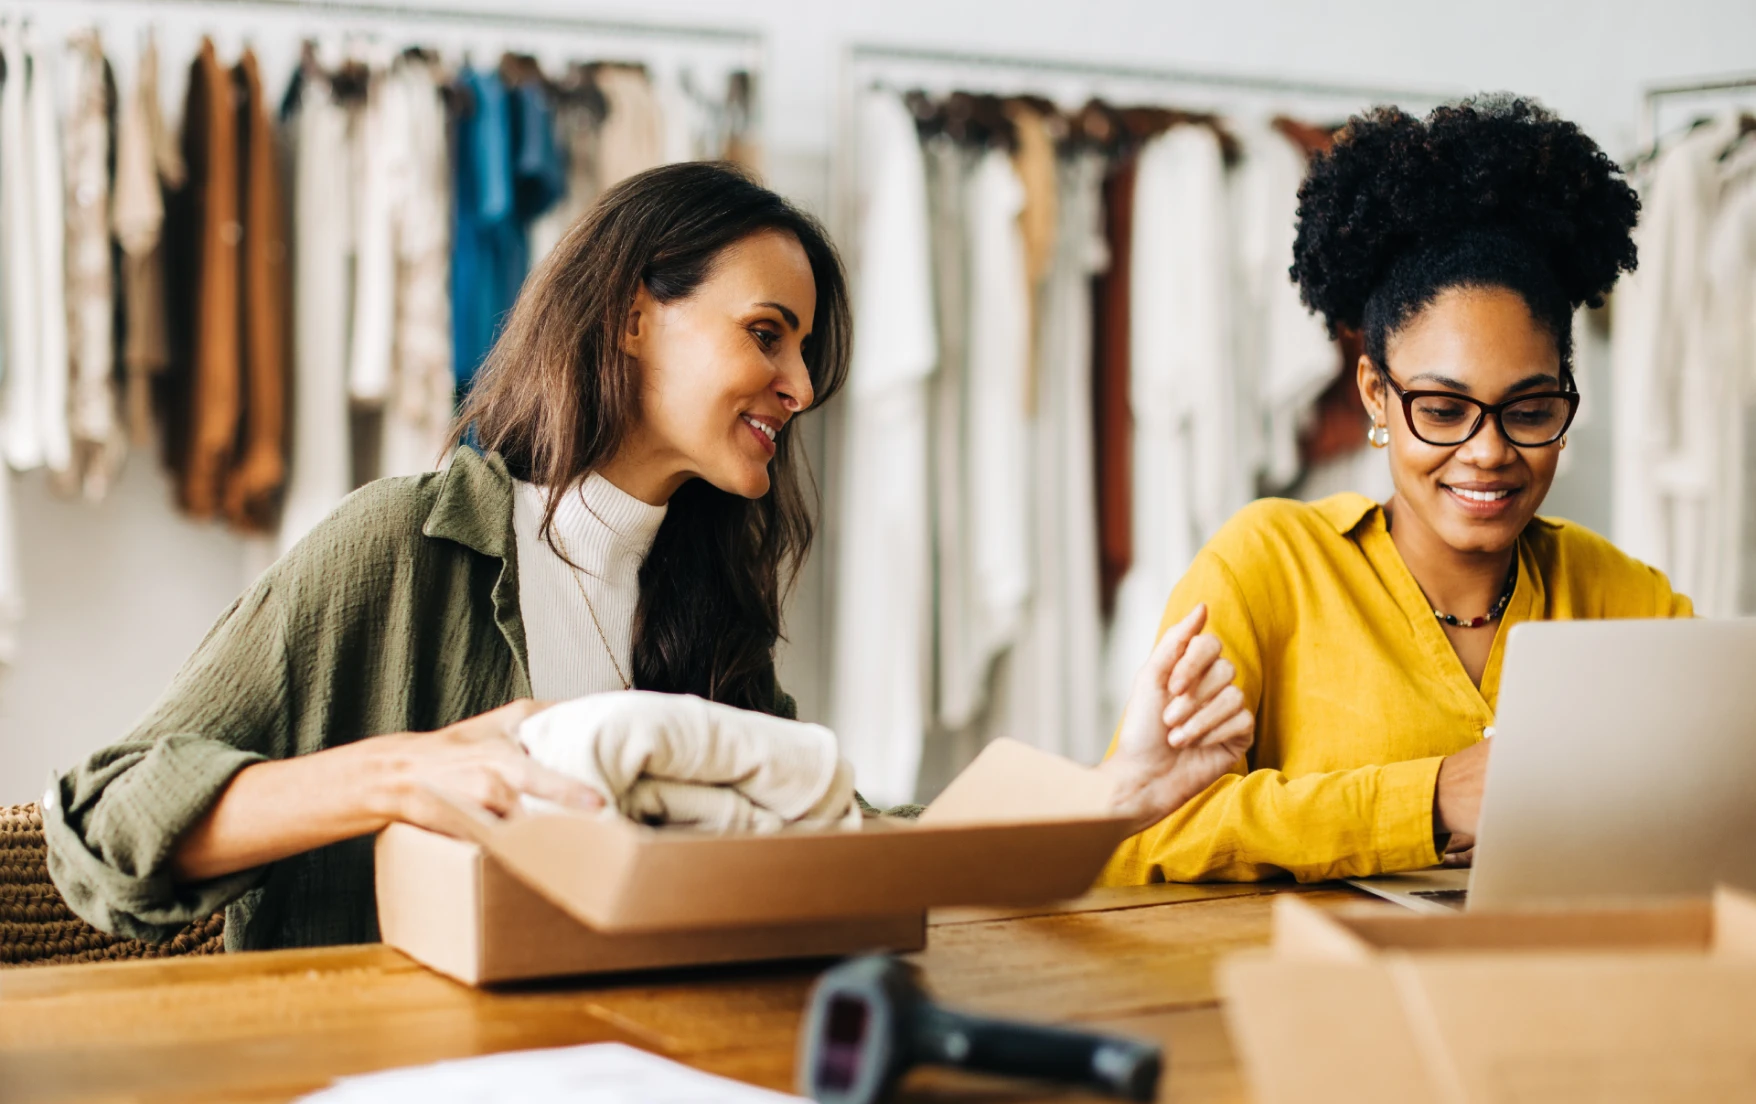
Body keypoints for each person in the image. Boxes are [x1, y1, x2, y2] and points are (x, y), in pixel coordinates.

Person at [44, 163, 1249, 952]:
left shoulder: (701, 603)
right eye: (766, 335)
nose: (801, 386)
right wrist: (395, 776)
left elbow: (842, 842)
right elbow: (94, 827)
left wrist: (1110, 795)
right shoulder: (402, 549)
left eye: (808, 353)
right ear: (630, 314)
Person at [1100, 96, 1691, 887]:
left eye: (1530, 409)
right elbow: (1135, 836)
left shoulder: (1625, 599)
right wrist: (1433, 799)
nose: (1488, 452)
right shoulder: (1268, 568)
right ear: (1377, 395)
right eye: (1443, 410)